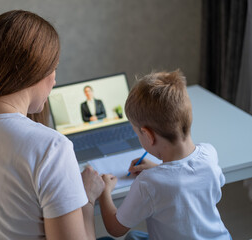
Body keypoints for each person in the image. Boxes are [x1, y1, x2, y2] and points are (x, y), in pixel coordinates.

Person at [0, 10, 106, 240]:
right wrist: (87, 199)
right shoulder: (52, 148)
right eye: (54, 68)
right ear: (34, 71)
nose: (55, 79)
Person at [99, 70, 231, 240]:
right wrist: (159, 169)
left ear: (148, 135)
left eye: (137, 133)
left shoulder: (149, 183)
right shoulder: (209, 154)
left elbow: (115, 228)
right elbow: (191, 183)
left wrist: (104, 192)